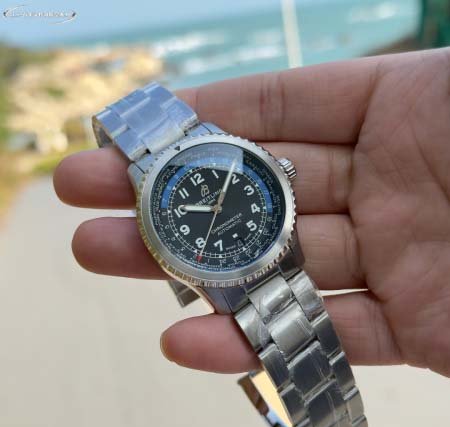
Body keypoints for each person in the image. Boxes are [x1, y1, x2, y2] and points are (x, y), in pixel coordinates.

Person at [53, 48, 450, 379]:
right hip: (220, 269)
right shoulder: (150, 179)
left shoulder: (229, 156)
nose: (217, 206)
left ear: (280, 174)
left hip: (263, 250)